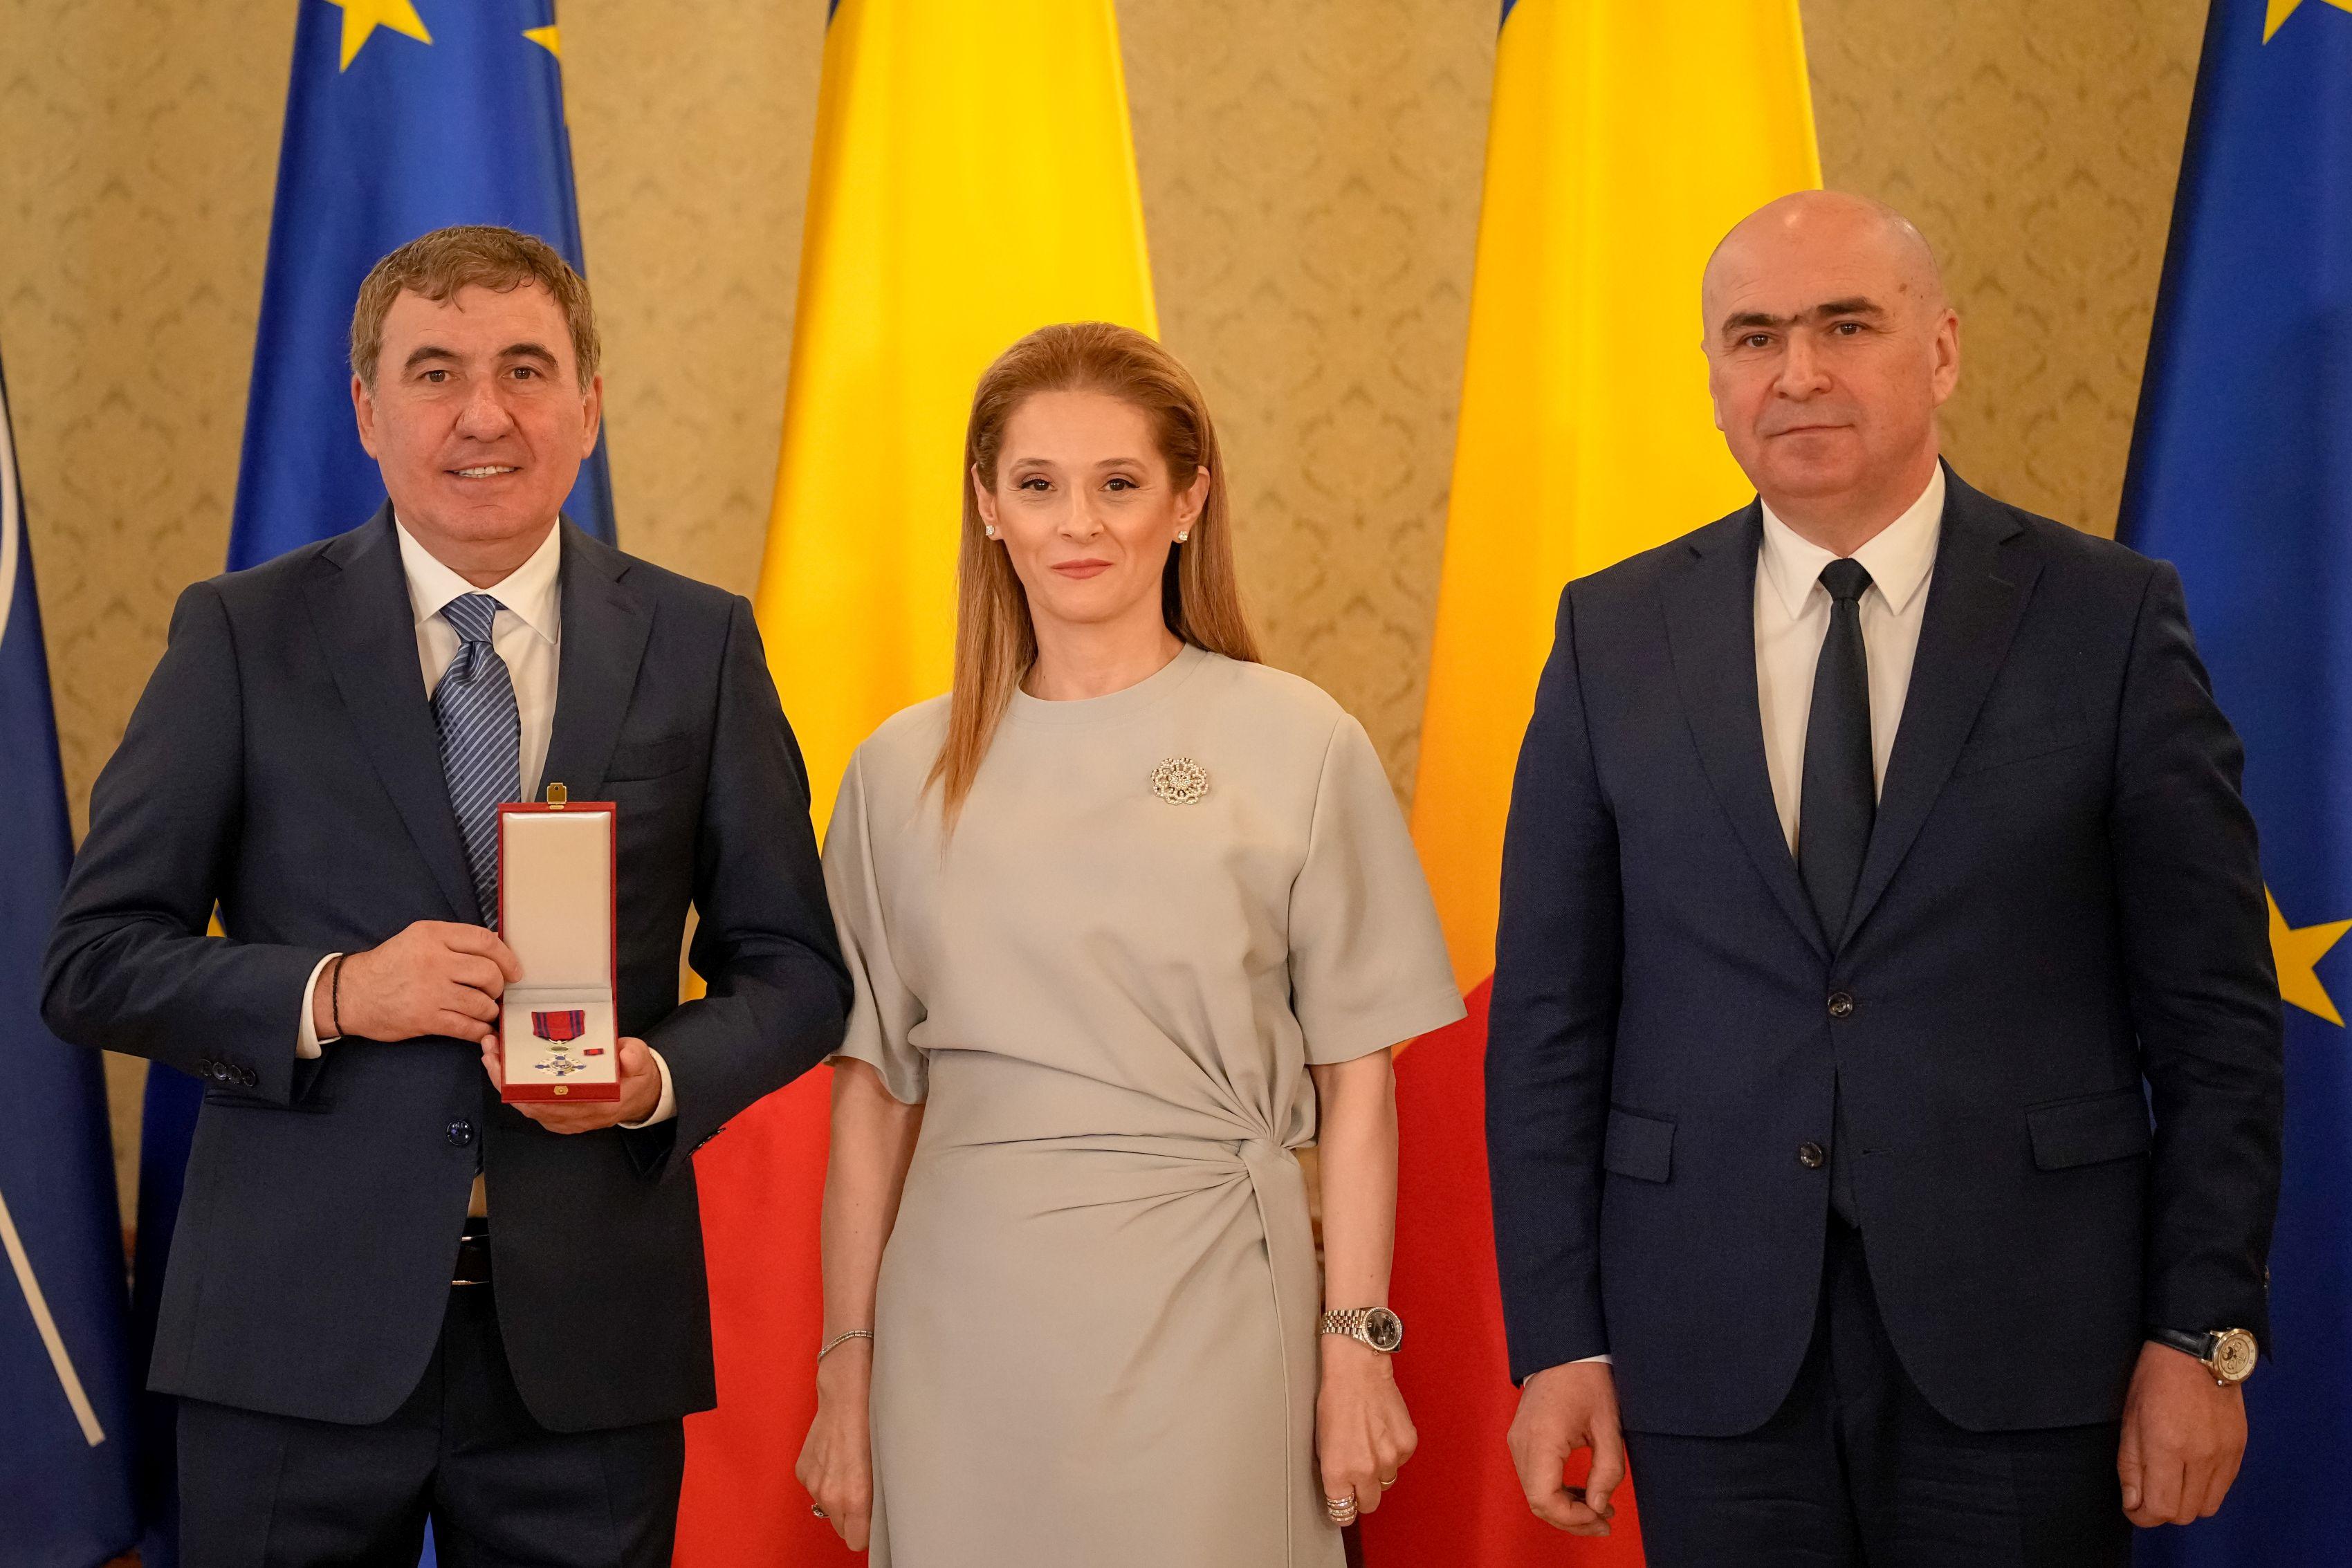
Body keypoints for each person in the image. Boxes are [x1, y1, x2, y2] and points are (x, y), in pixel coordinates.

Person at [1484, 192, 2284, 1566]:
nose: (1795, 373)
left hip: (2032, 1349)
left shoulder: (2106, 618)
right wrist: (1560, 1341)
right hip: (1708, 1350)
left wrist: (2199, 1334)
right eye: (1753, 338)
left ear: (1942, 351)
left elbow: (2214, 1024)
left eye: (1844, 326)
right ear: (1713, 377)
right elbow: (1550, 1024)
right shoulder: (1610, 632)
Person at [43, 225, 849, 1566]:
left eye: (526, 369)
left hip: (588, 1353)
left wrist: (653, 1078)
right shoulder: (242, 633)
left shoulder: (698, 642)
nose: (485, 414)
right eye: (436, 373)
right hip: (291, 1344)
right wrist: (340, 993)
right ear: (368, 412)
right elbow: (94, 960)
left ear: (588, 406)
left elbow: (796, 971)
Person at [792, 322, 1465, 1566]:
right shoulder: (896, 772)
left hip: (1217, 1300)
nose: (1078, 524)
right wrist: (845, 1371)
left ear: (1188, 500)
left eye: (1118, 483)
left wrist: (1357, 1348)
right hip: (960, 1323)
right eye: (1038, 484)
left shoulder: (1300, 741)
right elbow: (873, 1097)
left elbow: (1359, 1083)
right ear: (987, 505)